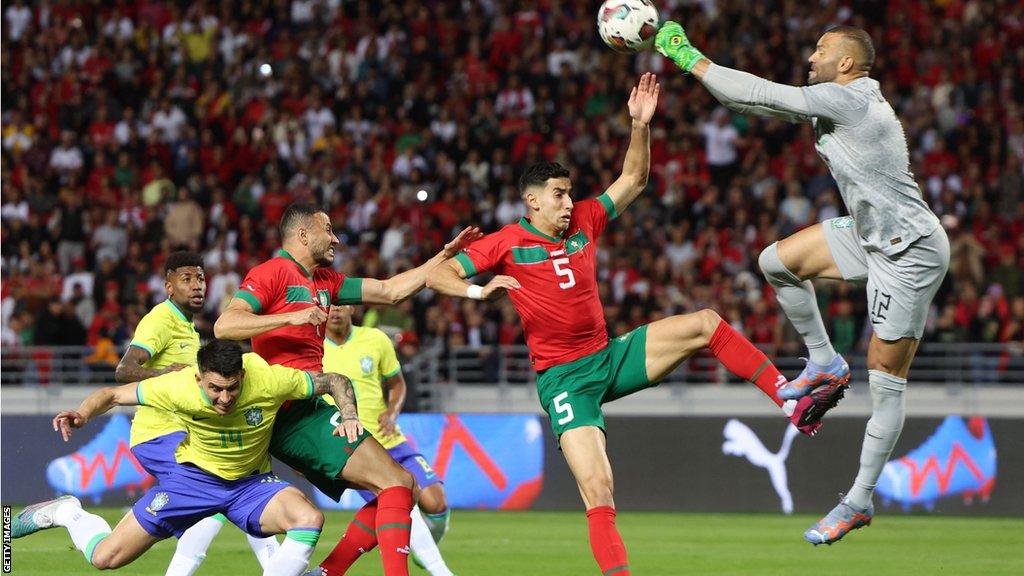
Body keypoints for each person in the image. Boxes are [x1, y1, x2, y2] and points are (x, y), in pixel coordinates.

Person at [425, 74, 838, 576]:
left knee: (706, 323)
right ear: (532, 201)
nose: (567, 203)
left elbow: (634, 181)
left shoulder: (584, 220)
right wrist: (478, 289)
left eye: (569, 193)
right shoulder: (504, 242)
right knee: (598, 490)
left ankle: (790, 401)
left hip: (610, 355)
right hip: (564, 381)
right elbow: (438, 273)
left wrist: (639, 125)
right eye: (558, 195)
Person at [655, 22, 950, 544]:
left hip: (909, 252)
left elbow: (758, 95)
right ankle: (824, 362)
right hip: (870, 235)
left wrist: (688, 57)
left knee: (885, 378)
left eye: (821, 50)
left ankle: (858, 500)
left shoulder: (851, 99)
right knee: (776, 262)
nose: (810, 56)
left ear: (846, 64)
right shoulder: (839, 100)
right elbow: (760, 104)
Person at [214, 202, 479, 576]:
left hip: (310, 405)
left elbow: (389, 291)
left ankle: (327, 573)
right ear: (303, 234)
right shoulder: (271, 273)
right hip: (288, 408)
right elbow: (225, 325)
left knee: (403, 487)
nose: (336, 238)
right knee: (396, 484)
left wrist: (443, 257)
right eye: (328, 229)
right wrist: (291, 315)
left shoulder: (327, 282)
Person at [12, 340, 363, 576]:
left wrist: (349, 416)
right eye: (214, 389)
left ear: (242, 375)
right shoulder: (176, 386)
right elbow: (112, 394)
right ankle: (67, 511)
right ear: (198, 378)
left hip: (250, 485)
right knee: (106, 558)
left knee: (309, 517)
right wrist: (82, 414)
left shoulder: (268, 379)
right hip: (192, 481)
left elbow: (335, 380)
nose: (224, 398)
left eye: (232, 388)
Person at [113, 251, 281, 575]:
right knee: (224, 484)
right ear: (168, 286)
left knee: (230, 487)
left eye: (201, 278)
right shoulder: (160, 319)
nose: (197, 285)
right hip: (159, 434)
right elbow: (124, 370)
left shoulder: (190, 330)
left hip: (184, 437)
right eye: (186, 279)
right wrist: (166, 374)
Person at [322, 305, 453, 575]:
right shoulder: (313, 348)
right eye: (329, 306)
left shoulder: (376, 339)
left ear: (351, 308)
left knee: (436, 503)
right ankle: (440, 570)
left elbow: (397, 383)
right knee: (400, 498)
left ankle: (427, 546)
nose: (335, 311)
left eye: (340, 305)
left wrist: (392, 413)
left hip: (390, 439)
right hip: (354, 446)